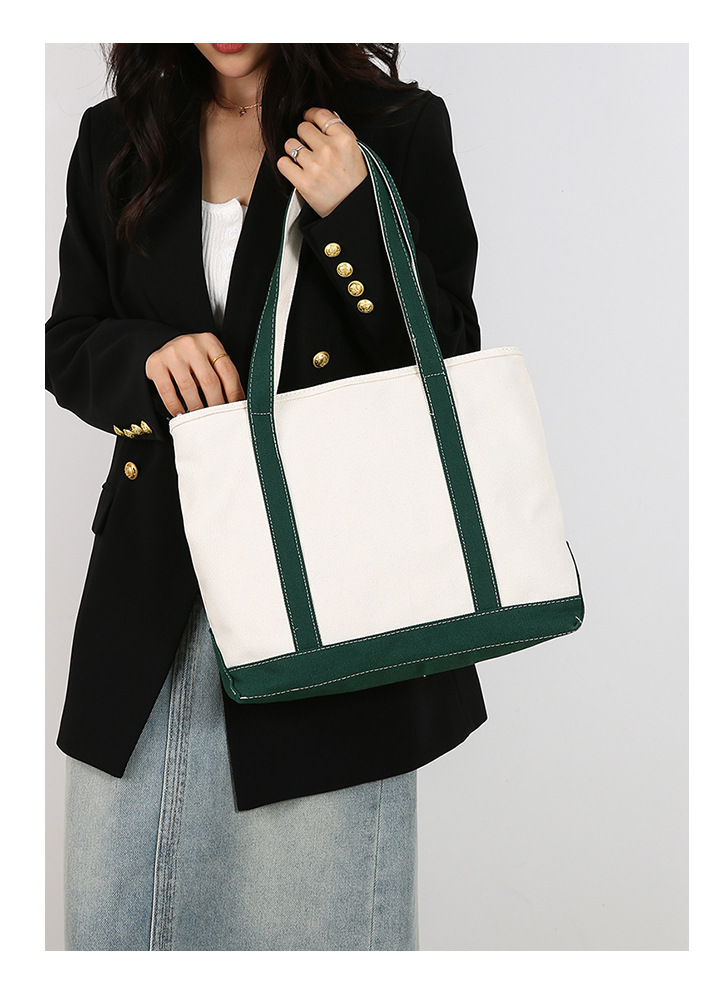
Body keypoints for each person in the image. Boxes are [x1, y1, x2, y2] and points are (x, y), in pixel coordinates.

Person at [46, 42, 488, 951]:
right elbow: (71, 341)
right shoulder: (117, 135)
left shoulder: (394, 128)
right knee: (120, 924)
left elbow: (448, 359)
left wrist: (356, 213)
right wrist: (146, 358)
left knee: (317, 929)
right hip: (151, 606)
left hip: (330, 603)